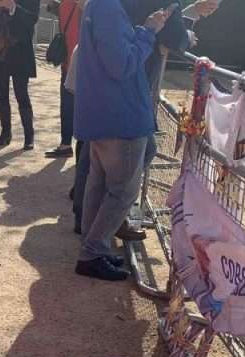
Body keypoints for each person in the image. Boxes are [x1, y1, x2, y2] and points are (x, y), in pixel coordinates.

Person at [72, 0, 172, 281]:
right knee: (122, 190)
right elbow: (122, 64)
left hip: (108, 113)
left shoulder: (101, 7)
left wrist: (142, 30)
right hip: (121, 116)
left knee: (100, 183)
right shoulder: (108, 8)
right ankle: (91, 252)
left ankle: (92, 249)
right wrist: (148, 31)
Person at [0, 0, 40, 150]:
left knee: (22, 95)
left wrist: (13, 7)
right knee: (1, 96)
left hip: (20, 53)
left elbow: (32, 19)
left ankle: (29, 136)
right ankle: (5, 133)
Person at [44, 0, 81, 158]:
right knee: (67, 105)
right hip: (69, 62)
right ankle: (66, 144)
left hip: (80, 64)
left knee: (78, 107)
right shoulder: (65, 4)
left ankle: (80, 151)